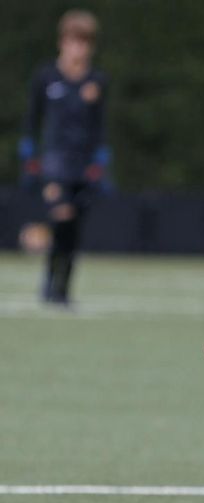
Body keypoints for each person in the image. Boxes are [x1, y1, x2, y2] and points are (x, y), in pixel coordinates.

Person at [18, 9, 111, 307]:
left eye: (85, 42)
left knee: (74, 230)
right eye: (74, 41)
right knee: (60, 219)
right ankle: (48, 282)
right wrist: (30, 157)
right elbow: (32, 120)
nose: (79, 48)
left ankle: (63, 289)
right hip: (54, 165)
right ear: (63, 42)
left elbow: (99, 128)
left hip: (82, 167)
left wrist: (101, 161)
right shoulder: (46, 76)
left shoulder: (97, 81)